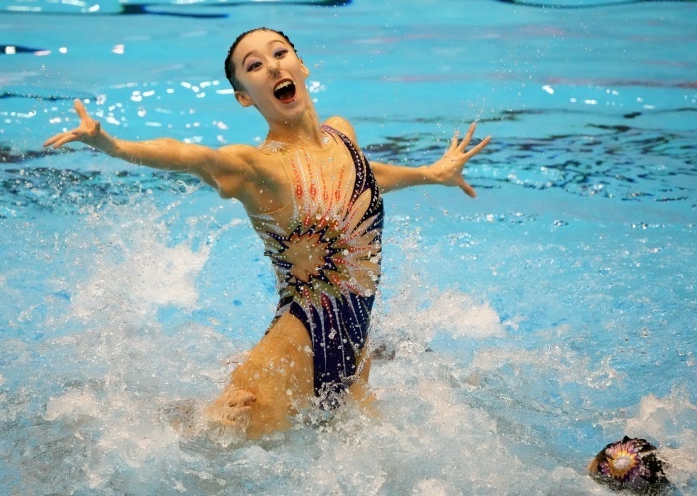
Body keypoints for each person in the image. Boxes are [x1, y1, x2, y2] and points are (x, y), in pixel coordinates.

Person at [44, 27, 491, 440]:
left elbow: (361, 178)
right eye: (254, 66)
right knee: (203, 455)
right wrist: (114, 146)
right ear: (244, 97)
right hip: (283, 366)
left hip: (353, 363)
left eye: (280, 53)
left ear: (302, 65)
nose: (273, 65)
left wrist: (431, 173)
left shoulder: (343, 137)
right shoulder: (260, 169)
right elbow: (190, 156)